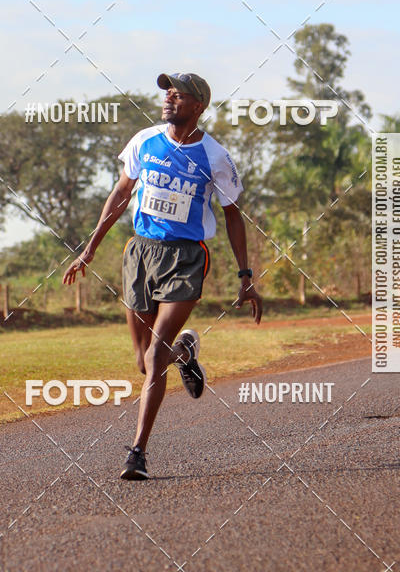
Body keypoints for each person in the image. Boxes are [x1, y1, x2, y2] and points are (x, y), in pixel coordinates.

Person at [63, 72, 262, 479]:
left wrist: (246, 275)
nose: (169, 98)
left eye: (179, 94)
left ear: (199, 106)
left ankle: (137, 453)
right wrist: (90, 248)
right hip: (140, 253)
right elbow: (120, 194)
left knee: (155, 356)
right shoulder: (145, 141)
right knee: (143, 362)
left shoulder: (216, 156)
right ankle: (185, 353)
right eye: (167, 92)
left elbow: (232, 215)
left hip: (187, 258)